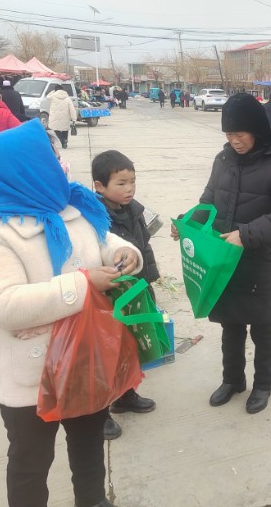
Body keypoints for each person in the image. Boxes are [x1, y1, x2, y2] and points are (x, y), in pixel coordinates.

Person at [0, 119, 143, 507]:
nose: (60, 166)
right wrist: (83, 285)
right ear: (24, 167)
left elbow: (102, 241)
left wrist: (124, 253)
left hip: (84, 359)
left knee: (88, 448)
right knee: (31, 463)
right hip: (31, 377)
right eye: (51, 159)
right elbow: (2, 304)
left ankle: (93, 501)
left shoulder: (69, 206)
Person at [171, 93, 271, 414]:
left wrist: (246, 234)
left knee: (264, 328)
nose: (234, 141)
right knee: (231, 326)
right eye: (229, 134)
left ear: (256, 129)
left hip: (262, 263)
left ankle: (263, 386)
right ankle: (232, 380)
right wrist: (187, 223)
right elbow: (208, 202)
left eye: (240, 134)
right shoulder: (224, 160)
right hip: (225, 262)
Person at [92, 150, 159, 441]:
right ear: (99, 186)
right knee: (107, 353)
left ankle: (126, 395)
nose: (129, 188)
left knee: (131, 347)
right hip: (111, 295)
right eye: (121, 183)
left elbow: (144, 247)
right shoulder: (93, 217)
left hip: (136, 289)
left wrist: (149, 281)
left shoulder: (135, 210)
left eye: (132, 181)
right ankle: (101, 412)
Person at [47, 84, 77, 149]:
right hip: (65, 117)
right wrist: (74, 119)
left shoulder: (53, 96)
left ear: (56, 90)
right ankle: (65, 142)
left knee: (55, 129)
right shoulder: (67, 98)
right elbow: (72, 109)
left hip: (55, 117)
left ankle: (63, 140)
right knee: (65, 129)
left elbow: (47, 97)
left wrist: (53, 91)